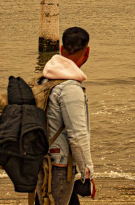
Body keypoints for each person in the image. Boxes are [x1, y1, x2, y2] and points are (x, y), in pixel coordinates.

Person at [36, 27, 94, 205]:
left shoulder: (44, 80)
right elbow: (77, 135)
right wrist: (87, 173)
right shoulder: (70, 88)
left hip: (41, 161)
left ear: (61, 50)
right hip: (59, 167)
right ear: (87, 52)